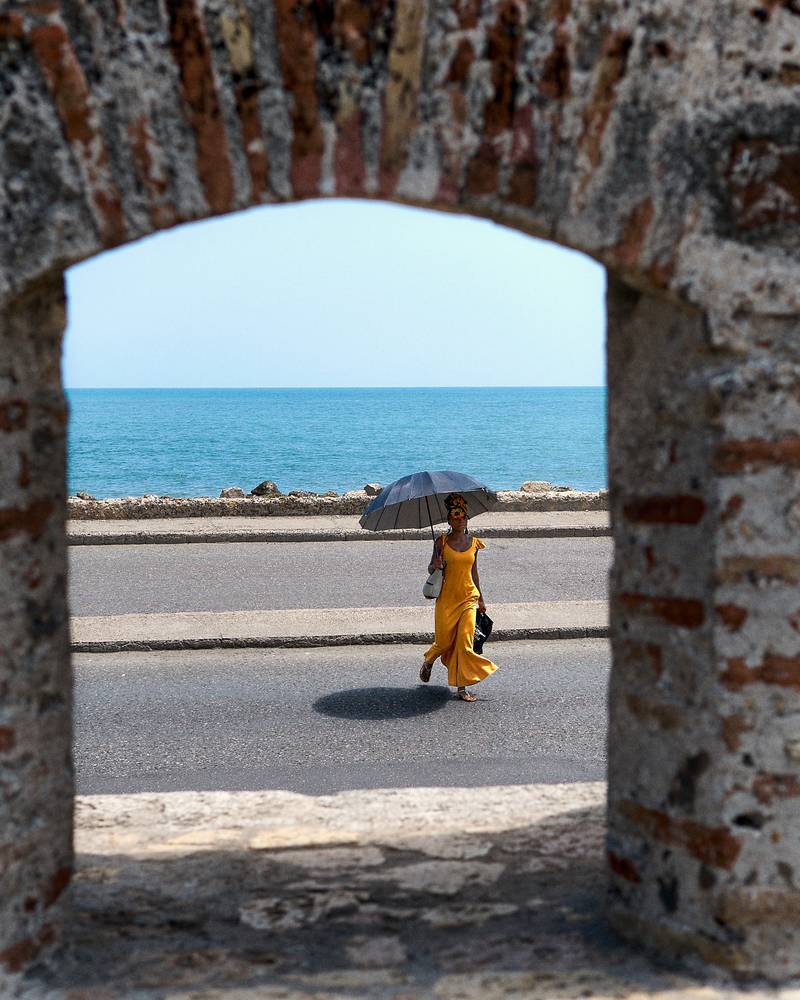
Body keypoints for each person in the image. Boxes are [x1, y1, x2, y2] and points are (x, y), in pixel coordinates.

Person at [419, 493, 498, 701]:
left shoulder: (474, 543)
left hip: (468, 599)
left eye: (462, 516)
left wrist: (481, 598)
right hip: (446, 600)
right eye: (455, 516)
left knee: (465, 643)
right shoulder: (441, 542)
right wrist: (435, 565)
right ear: (449, 520)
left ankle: (462, 688)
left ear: (467, 519)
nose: (459, 519)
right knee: (444, 642)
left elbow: (474, 572)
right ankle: (429, 660)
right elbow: (430, 569)